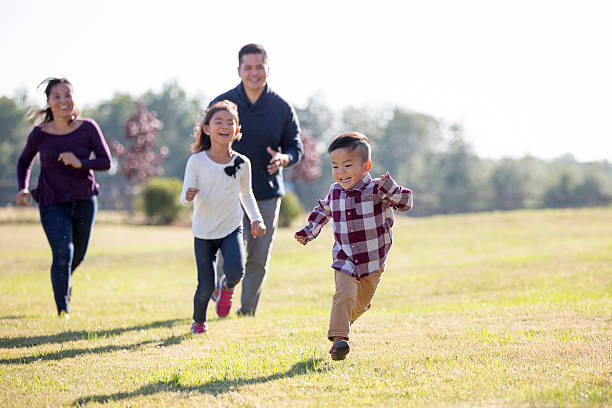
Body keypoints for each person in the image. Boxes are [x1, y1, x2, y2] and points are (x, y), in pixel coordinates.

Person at [294, 132, 413, 360]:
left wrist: (392, 190)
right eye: (335, 166)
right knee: (343, 294)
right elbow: (323, 211)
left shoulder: (378, 189)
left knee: (361, 303)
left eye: (347, 165)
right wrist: (308, 232)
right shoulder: (334, 191)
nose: (340, 172)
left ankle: (345, 319)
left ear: (366, 166)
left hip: (373, 260)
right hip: (345, 256)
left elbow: (406, 203)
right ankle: (340, 340)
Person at [209, 43, 303, 316]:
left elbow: (296, 147)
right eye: (247, 67)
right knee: (227, 254)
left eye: (259, 66)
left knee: (258, 257)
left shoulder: (282, 108)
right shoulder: (222, 103)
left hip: (267, 193)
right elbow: (205, 144)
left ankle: (247, 311)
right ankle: (222, 291)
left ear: (267, 69)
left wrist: (285, 159)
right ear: (239, 70)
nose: (254, 73)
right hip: (227, 192)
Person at [16, 77, 112, 319]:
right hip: (52, 201)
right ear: (48, 102)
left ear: (74, 98)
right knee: (63, 252)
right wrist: (23, 188)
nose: (63, 101)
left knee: (78, 255)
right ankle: (62, 310)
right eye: (56, 96)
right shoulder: (39, 134)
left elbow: (106, 162)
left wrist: (80, 162)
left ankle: (64, 282)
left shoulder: (88, 127)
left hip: (84, 200)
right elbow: (24, 161)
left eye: (67, 95)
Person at [181, 100, 266, 334]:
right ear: (207, 128)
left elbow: (246, 194)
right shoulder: (196, 162)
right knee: (205, 285)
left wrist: (256, 219)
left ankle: (226, 287)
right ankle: (199, 323)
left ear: (237, 130)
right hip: (203, 231)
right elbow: (184, 197)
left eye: (231, 122)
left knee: (237, 271)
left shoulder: (242, 163)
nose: (225, 126)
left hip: (231, 227)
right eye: (218, 121)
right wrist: (187, 196)